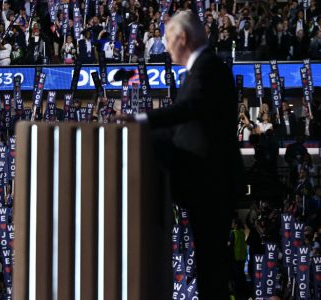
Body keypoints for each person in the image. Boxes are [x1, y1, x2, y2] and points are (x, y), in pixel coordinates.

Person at [119, 11, 244, 299]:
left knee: (211, 269)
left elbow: (188, 110)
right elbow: (183, 126)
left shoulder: (208, 67)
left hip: (212, 182)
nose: (164, 45)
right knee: (208, 268)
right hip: (205, 182)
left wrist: (140, 121)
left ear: (183, 38)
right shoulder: (199, 70)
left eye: (166, 38)